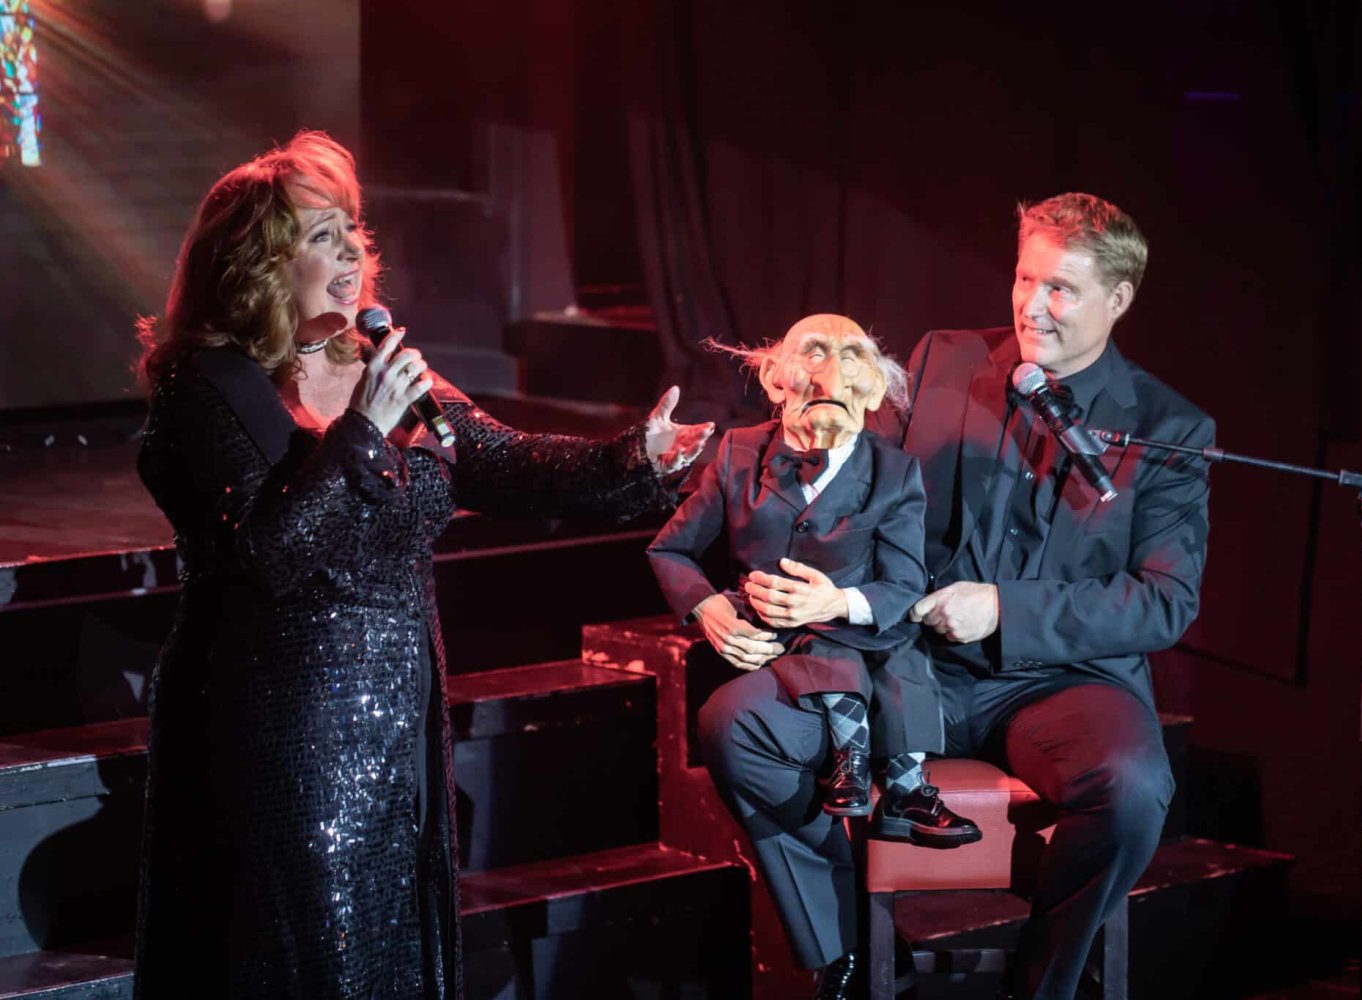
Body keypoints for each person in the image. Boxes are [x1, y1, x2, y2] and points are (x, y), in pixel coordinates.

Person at [131, 131, 712, 998]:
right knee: (305, 957)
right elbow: (269, 551)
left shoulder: (380, 367)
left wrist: (634, 457)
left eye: (351, 230)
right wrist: (362, 433)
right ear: (259, 265)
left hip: (397, 715)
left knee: (390, 947)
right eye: (322, 235)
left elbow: (499, 460)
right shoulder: (208, 389)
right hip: (278, 725)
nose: (350, 253)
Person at [698, 193, 1214, 999]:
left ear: (1118, 299)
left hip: (1063, 683)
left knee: (1133, 788)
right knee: (738, 726)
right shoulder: (944, 358)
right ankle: (849, 953)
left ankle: (1041, 983)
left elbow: (1163, 601)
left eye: (1061, 289)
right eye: (1025, 279)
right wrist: (725, 486)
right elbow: (849, 478)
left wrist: (1004, 609)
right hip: (907, 662)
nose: (1032, 306)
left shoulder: (1166, 426)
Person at [647, 314, 980, 846]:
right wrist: (710, 609)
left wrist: (837, 601)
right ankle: (858, 764)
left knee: (901, 651)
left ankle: (905, 786)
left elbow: (902, 584)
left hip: (861, 627)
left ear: (873, 391)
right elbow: (671, 549)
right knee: (832, 655)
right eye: (815, 354)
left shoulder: (894, 472)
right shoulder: (739, 454)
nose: (831, 378)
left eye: (851, 359)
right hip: (775, 633)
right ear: (775, 379)